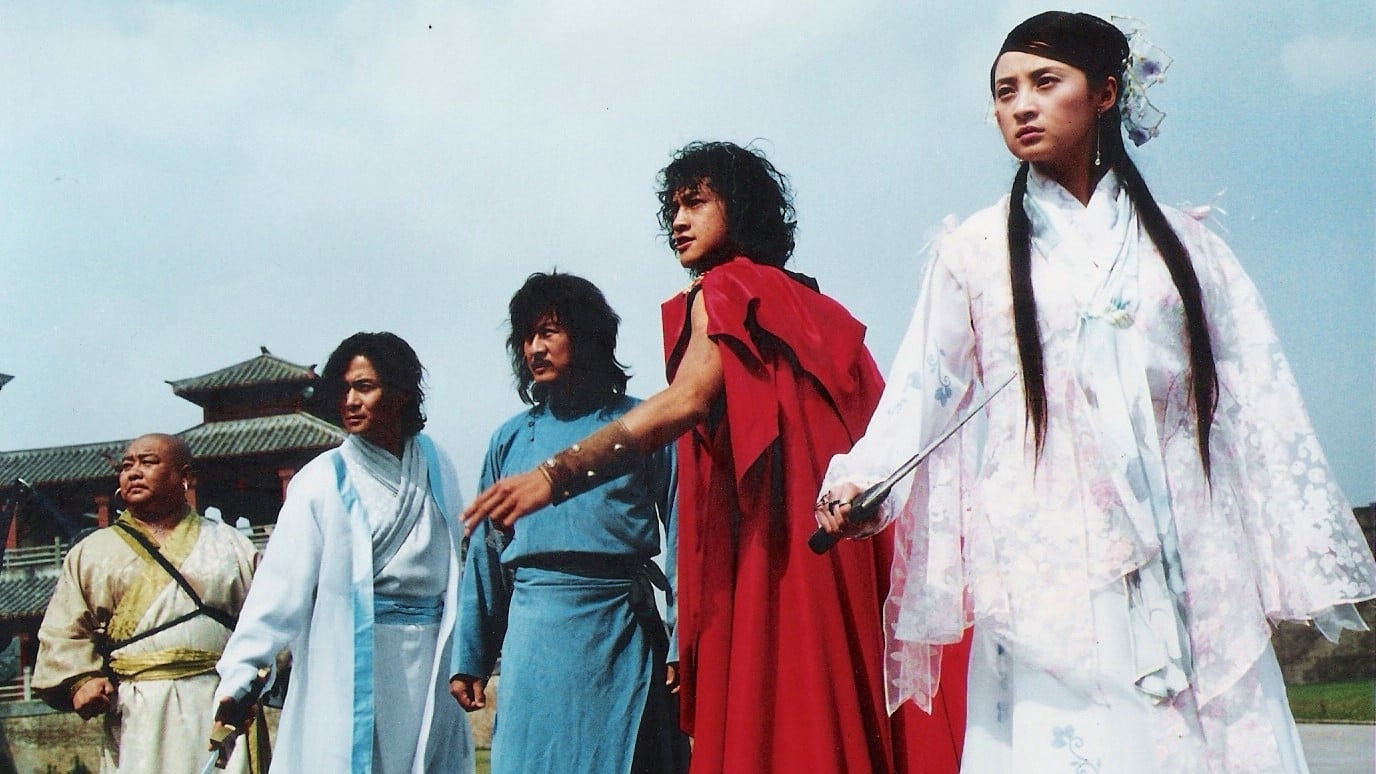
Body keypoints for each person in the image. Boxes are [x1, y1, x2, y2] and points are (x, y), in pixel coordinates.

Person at [816, 12, 1376, 772]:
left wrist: (1290, 543)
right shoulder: (974, 252)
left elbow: (1257, 402)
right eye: (1004, 92)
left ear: (1107, 92)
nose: (1021, 105)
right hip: (1044, 545)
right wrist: (862, 480)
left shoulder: (1187, 247)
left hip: (1184, 533)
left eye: (1045, 83)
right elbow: (925, 389)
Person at [464, 142, 967, 773]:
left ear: (742, 207)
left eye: (696, 203)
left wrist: (555, 475)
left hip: (774, 551)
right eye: (673, 208)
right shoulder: (816, 306)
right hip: (838, 551)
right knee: (829, 696)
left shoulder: (726, 289)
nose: (679, 221)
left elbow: (687, 400)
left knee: (780, 714)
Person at [452, 271, 689, 773]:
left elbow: (684, 532)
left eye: (548, 332)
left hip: (617, 630)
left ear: (586, 336)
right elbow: (486, 554)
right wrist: (471, 655)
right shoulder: (508, 440)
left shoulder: (645, 426)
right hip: (533, 638)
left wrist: (682, 637)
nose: (534, 348)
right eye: (526, 337)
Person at [215, 332, 474, 774]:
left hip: (431, 653)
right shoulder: (320, 480)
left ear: (400, 392)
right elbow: (278, 590)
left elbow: (457, 568)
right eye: (345, 389)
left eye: (364, 387)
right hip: (355, 655)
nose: (351, 401)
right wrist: (242, 673)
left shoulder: (436, 463)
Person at [33, 433, 259, 773]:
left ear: (184, 476)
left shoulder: (231, 545)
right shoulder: (91, 553)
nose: (134, 472)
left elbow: (269, 623)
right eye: (127, 466)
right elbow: (63, 632)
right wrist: (80, 680)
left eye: (148, 462)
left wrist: (252, 681)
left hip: (220, 702)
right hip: (135, 709)